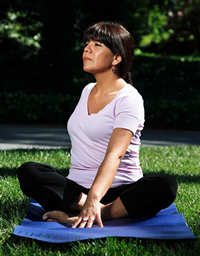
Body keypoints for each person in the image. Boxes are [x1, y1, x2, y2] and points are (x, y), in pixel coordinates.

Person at [18, 21, 178, 228]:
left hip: (120, 191)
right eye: (87, 43)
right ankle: (90, 211)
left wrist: (94, 199)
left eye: (97, 45)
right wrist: (86, 198)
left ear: (117, 58)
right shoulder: (87, 90)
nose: (87, 48)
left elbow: (115, 154)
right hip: (77, 192)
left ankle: (92, 213)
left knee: (165, 185)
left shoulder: (129, 98)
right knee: (29, 171)